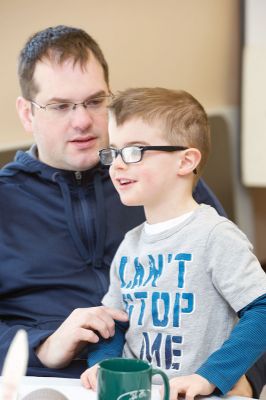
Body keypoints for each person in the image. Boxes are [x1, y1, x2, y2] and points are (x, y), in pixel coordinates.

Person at [0, 25, 264, 397]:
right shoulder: (6, 199)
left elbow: (244, 296)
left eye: (95, 102)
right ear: (27, 113)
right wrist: (42, 345)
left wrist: (243, 378)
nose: (82, 122)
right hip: (47, 380)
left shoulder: (163, 178)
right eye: (60, 106)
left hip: (182, 383)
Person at [80, 88, 266, 399]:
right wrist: (103, 364)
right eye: (114, 151)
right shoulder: (130, 246)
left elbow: (262, 308)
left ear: (185, 161)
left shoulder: (215, 235)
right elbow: (113, 323)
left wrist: (210, 376)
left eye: (135, 150)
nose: (117, 165)